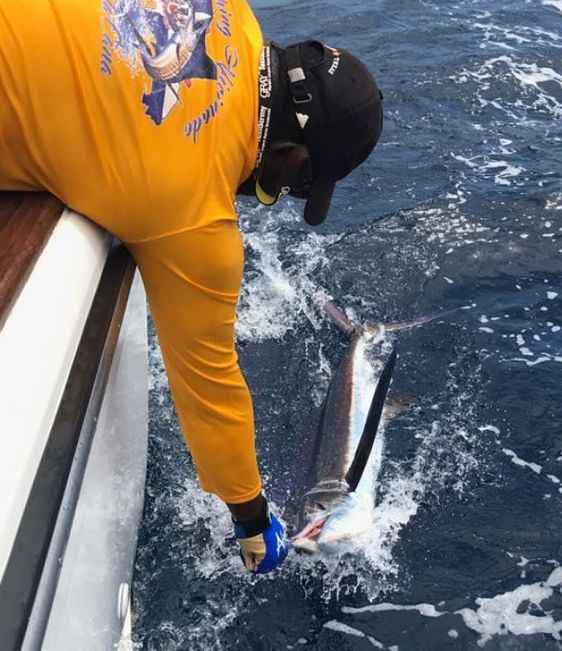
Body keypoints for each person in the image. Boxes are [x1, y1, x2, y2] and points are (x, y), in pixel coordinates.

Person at [0, 0, 383, 574]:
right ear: (288, 154)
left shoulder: (231, 10)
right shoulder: (195, 220)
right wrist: (252, 520)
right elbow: (210, 390)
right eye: (297, 185)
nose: (276, 195)